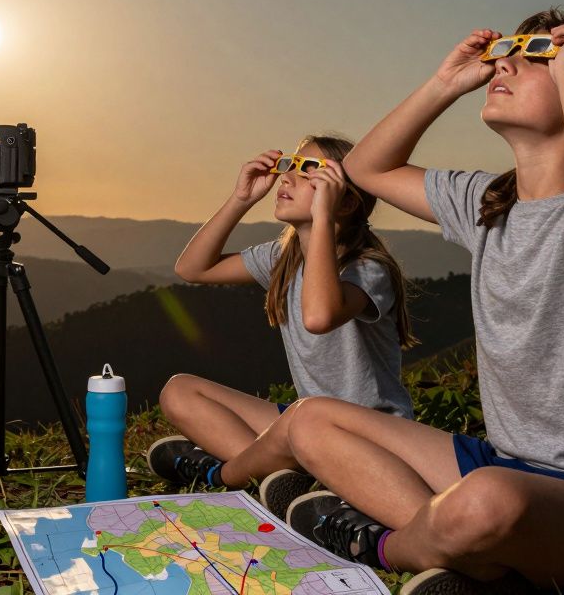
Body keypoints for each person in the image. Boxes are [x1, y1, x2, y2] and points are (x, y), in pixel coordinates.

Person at [280, 9, 564, 595]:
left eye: (539, 53)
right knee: (310, 418)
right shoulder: (485, 203)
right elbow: (366, 169)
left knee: (487, 503)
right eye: (509, 49)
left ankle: (389, 545)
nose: (507, 61)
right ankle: (467, 548)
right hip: (506, 465)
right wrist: (446, 82)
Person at [147, 134, 418, 517]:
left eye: (309, 171)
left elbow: (319, 316)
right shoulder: (284, 258)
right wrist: (242, 199)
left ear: (346, 199)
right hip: (306, 420)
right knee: (179, 391)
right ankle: (287, 479)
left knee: (299, 419)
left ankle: (226, 476)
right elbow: (193, 268)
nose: (287, 178)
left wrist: (324, 216)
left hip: (372, 433)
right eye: (289, 165)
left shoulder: (368, 268)